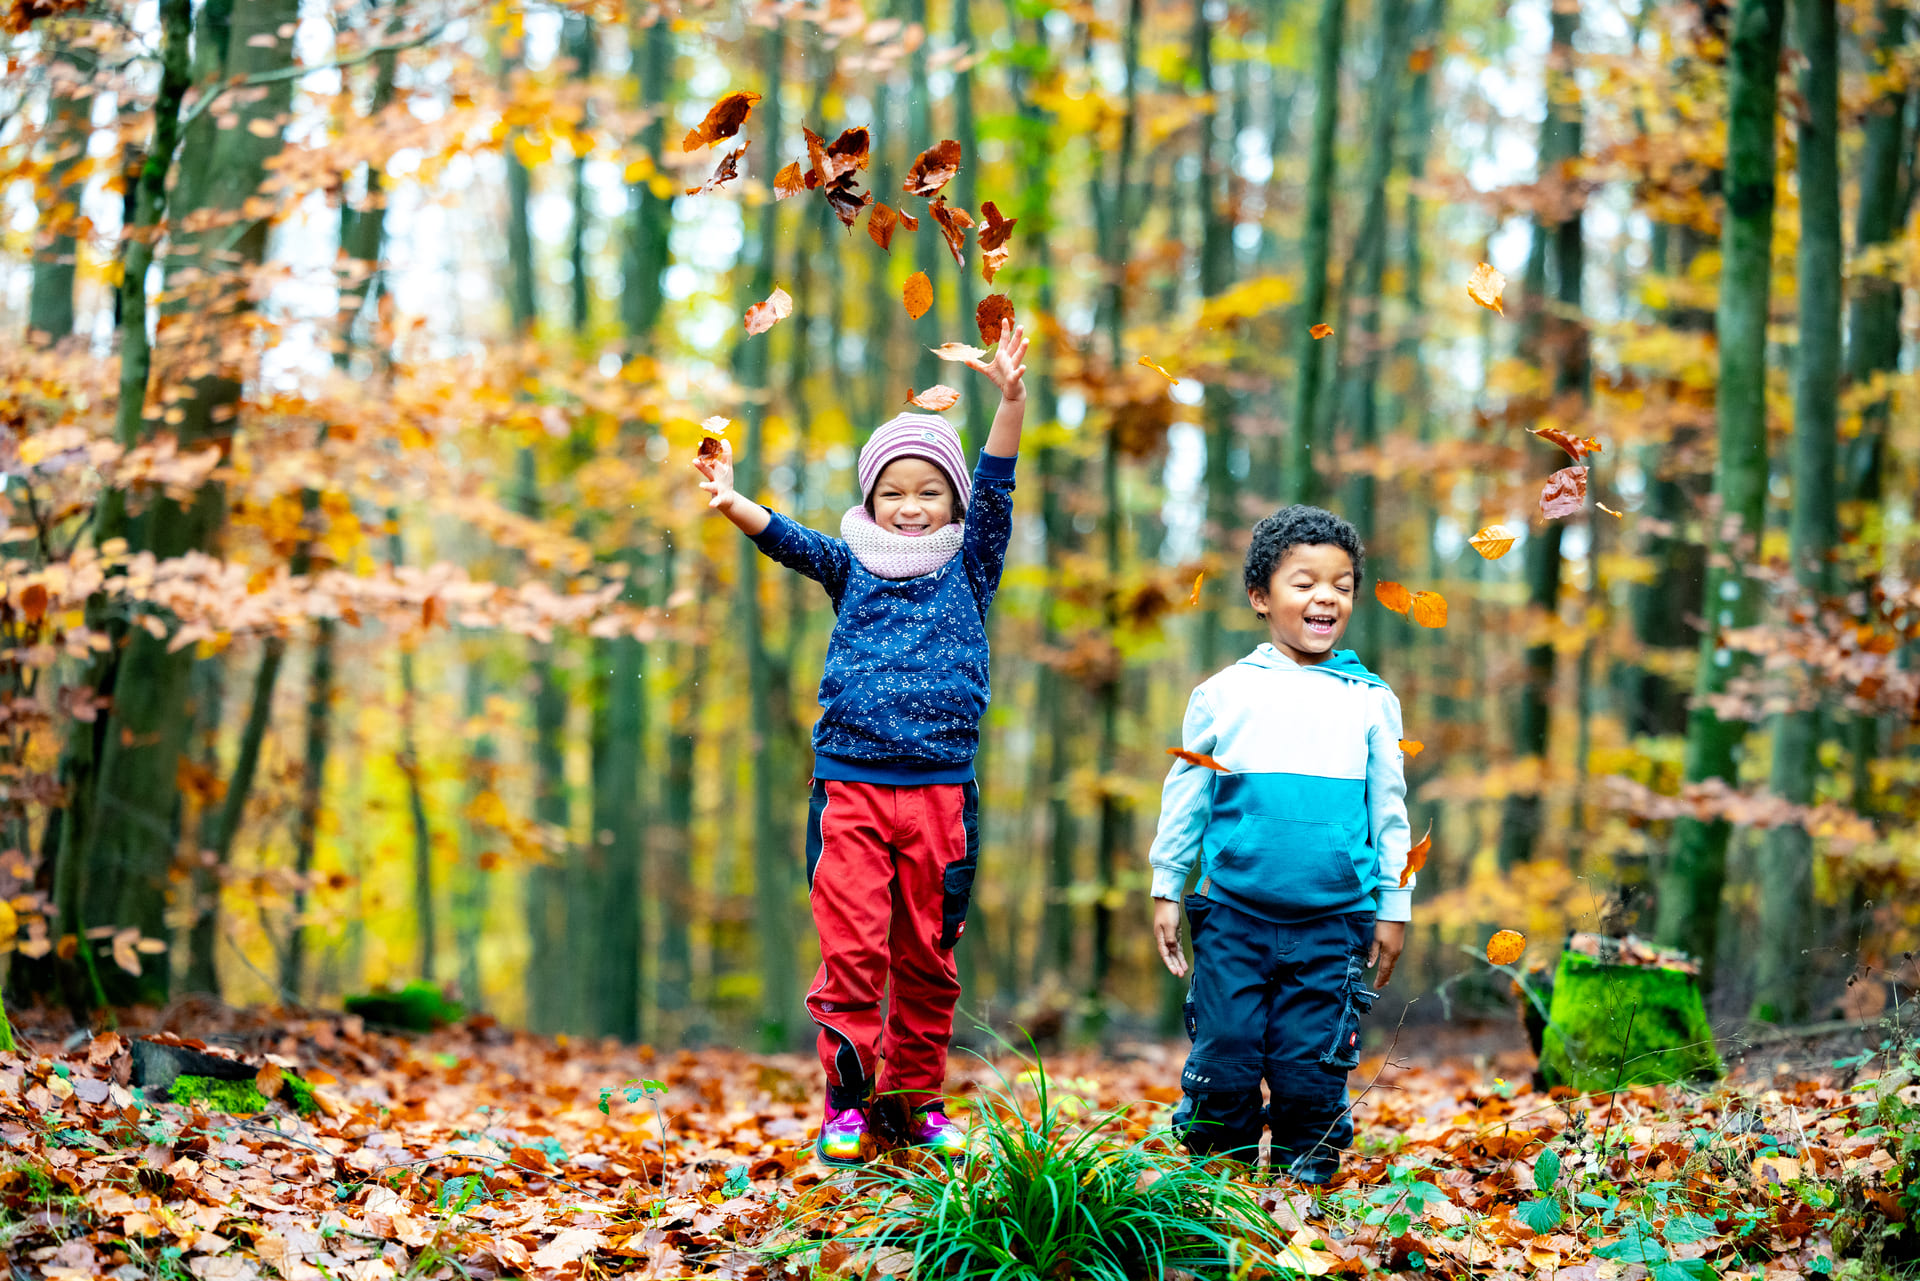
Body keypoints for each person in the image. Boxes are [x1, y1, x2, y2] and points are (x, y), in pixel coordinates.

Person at [693, 324, 1029, 1168]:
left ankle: (915, 1103)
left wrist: (1011, 402)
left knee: (927, 955)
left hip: (942, 795)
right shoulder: (855, 566)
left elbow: (996, 484)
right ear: (872, 501)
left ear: (951, 504)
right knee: (851, 951)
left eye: (928, 493)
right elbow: (790, 539)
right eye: (893, 493)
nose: (910, 506)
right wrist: (735, 502)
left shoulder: (970, 565)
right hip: (850, 787)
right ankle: (848, 1104)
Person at [1146, 504, 1413, 1183]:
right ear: (1260, 596)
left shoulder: (1369, 699)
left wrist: (1395, 903)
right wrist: (1166, 883)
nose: (1326, 595)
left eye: (1342, 583)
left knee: (1311, 1056)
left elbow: (1389, 811)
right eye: (1305, 581)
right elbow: (1186, 793)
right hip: (1234, 912)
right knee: (1227, 1045)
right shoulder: (1224, 694)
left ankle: (1307, 1171)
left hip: (1334, 917)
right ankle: (1219, 1176)